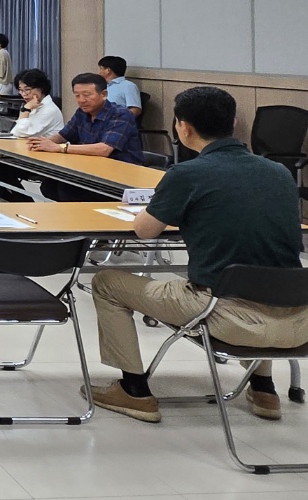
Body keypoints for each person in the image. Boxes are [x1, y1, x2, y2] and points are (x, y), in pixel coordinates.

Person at [86, 87, 308, 423]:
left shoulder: (187, 174)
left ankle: (133, 390)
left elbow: (146, 231)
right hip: (298, 321)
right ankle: (263, 389)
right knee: (262, 272)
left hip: (225, 317)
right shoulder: (278, 172)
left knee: (106, 282)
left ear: (183, 127)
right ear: (233, 122)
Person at [27, 73, 143, 201]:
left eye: (87, 95)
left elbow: (104, 149)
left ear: (104, 94)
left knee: (67, 190)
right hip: (90, 170)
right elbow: (63, 135)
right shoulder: (82, 112)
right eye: (77, 95)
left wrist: (59, 148)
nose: (81, 100)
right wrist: (41, 143)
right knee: (49, 186)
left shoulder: (121, 114)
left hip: (120, 175)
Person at [0, 69, 64, 203]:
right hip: (29, 153)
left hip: (45, 159)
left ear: (41, 88)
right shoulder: (36, 106)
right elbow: (18, 133)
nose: (24, 94)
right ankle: (7, 201)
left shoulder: (48, 110)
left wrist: (25, 109)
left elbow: (18, 133)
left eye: (27, 89)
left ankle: (21, 203)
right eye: (21, 90)